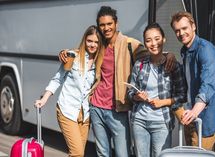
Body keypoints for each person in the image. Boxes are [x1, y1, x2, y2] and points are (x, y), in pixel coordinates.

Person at [59, 6, 176, 157]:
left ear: (116, 24)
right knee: (102, 153)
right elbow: (83, 51)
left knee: (123, 153)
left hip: (118, 110)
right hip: (96, 108)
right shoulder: (99, 45)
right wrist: (64, 52)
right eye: (102, 25)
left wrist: (169, 54)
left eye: (109, 24)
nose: (106, 28)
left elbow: (153, 52)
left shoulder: (129, 44)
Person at [34, 25, 104, 157]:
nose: (92, 45)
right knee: (77, 153)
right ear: (84, 40)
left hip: (85, 115)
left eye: (96, 42)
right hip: (67, 110)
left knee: (77, 153)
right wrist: (44, 99)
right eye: (89, 41)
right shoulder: (73, 56)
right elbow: (58, 79)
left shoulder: (99, 62)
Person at [127, 22, 187, 157]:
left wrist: (163, 102)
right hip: (139, 121)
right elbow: (130, 92)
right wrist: (137, 96)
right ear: (145, 43)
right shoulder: (139, 64)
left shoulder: (173, 65)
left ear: (164, 39)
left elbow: (182, 95)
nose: (153, 43)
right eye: (148, 40)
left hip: (162, 123)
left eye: (157, 39)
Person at [170, 11, 215, 150]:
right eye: (177, 31)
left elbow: (207, 85)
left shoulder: (205, 49)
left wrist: (194, 112)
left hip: (207, 116)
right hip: (191, 115)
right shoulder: (185, 51)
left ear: (193, 26)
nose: (181, 33)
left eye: (184, 28)